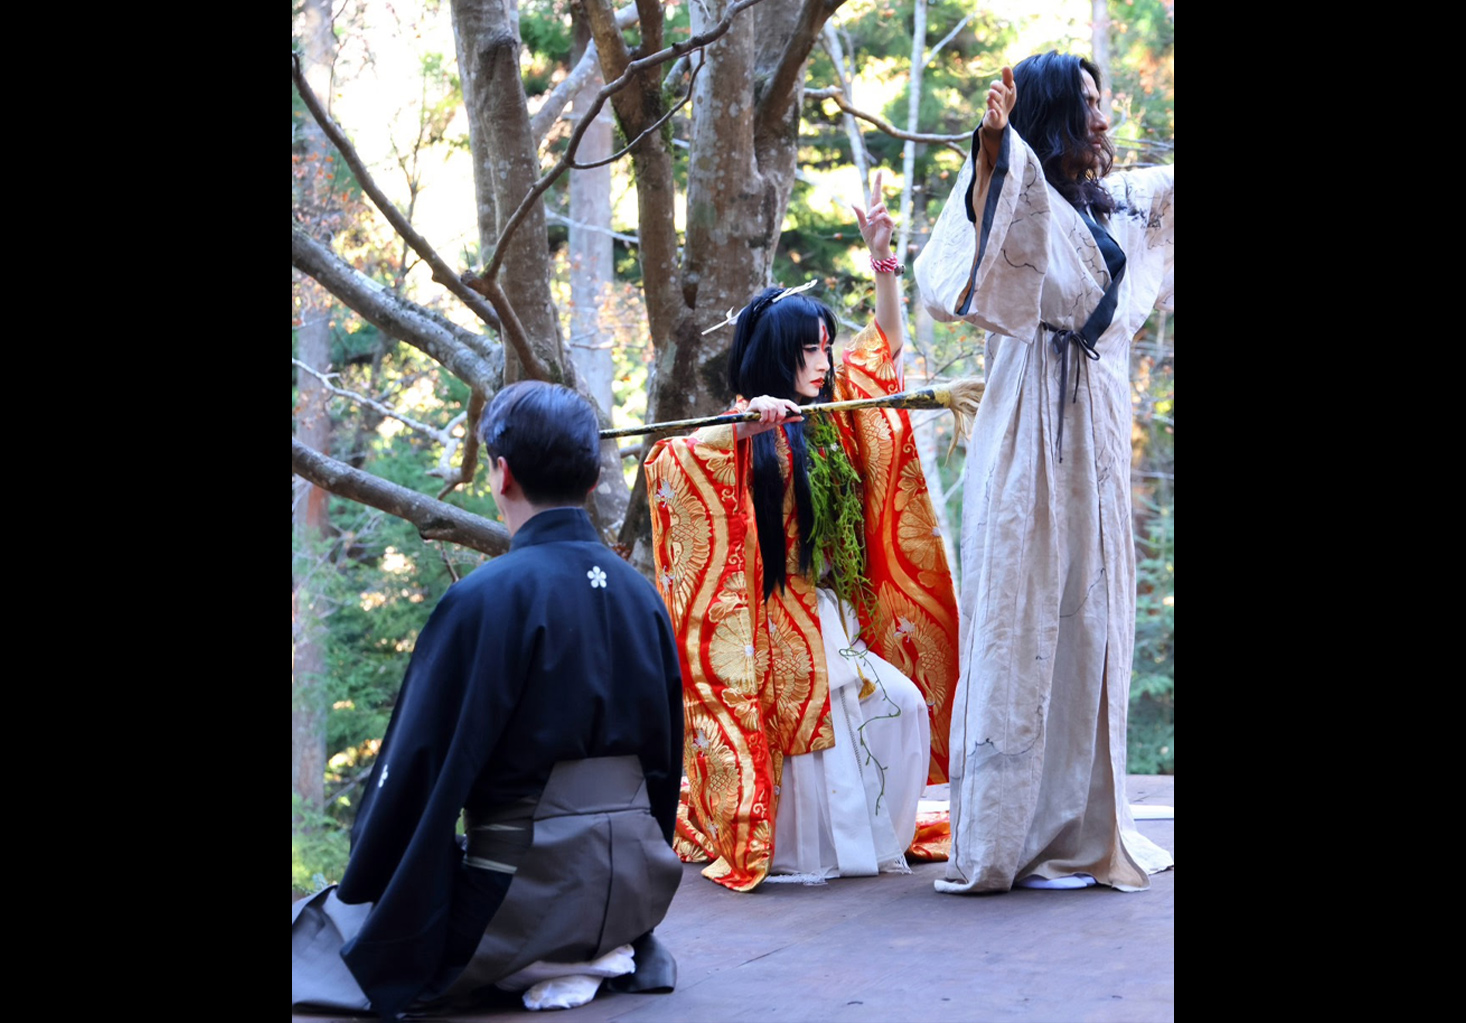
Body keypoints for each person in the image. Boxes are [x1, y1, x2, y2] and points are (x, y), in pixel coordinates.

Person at [291, 381, 686, 1018]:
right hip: (630, 902)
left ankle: (526, 959)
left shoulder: (487, 598)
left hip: (517, 905)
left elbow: (417, 770)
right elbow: (665, 772)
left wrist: (371, 874)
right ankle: (592, 951)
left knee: (322, 930)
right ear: (592, 481)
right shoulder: (642, 596)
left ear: (501, 474)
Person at [645, 174, 961, 892]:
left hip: (827, 608)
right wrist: (743, 428)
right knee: (808, 741)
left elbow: (885, 347)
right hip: (765, 614)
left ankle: (869, 836)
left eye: (825, 348)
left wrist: (881, 258)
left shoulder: (827, 413)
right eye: (809, 351)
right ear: (775, 355)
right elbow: (672, 467)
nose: (824, 362)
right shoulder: (738, 427)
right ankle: (792, 845)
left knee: (899, 706)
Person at [912, 52, 1174, 894]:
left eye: (1103, 100)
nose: (1104, 117)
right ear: (1054, 114)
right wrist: (992, 147)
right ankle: (1009, 834)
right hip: (1028, 411)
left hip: (1098, 410)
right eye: (1087, 102)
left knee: (1092, 614)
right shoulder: (1019, 184)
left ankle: (1083, 827)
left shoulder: (1112, 201)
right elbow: (966, 262)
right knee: (1021, 605)